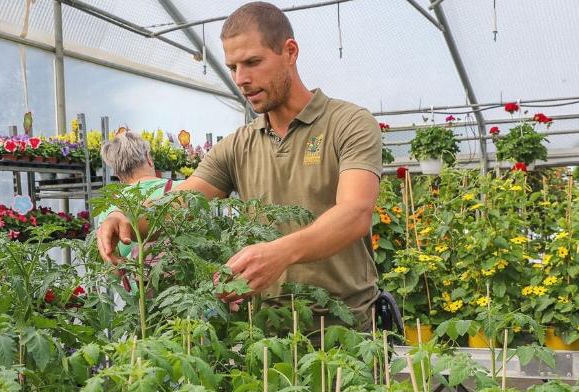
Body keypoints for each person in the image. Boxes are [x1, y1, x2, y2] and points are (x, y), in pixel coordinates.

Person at [97, 1, 382, 329]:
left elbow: (355, 213)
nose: (241, 79)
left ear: (290, 52)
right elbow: (181, 202)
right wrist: (127, 218)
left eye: (252, 62)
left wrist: (280, 253)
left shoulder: (348, 123)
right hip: (264, 334)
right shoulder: (238, 145)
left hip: (345, 330)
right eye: (233, 67)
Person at [96, 129, 183, 291]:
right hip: (187, 301)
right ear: (149, 159)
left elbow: (112, 269)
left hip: (138, 306)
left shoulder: (109, 207)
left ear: (116, 172)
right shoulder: (180, 190)